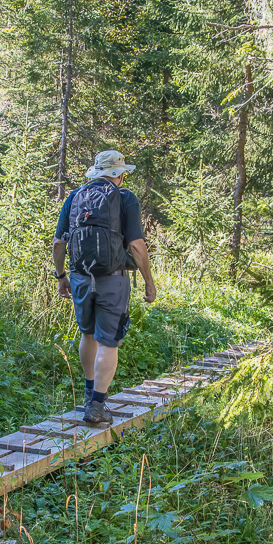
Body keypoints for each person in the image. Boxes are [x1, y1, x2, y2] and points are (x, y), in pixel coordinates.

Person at [52, 150, 158, 426]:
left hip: (80, 277)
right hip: (113, 279)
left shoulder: (75, 197)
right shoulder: (125, 198)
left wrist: (61, 276)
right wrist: (149, 281)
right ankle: (97, 407)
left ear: (96, 172)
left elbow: (58, 243)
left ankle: (89, 394)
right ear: (119, 174)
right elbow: (136, 245)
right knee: (109, 341)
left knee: (88, 334)